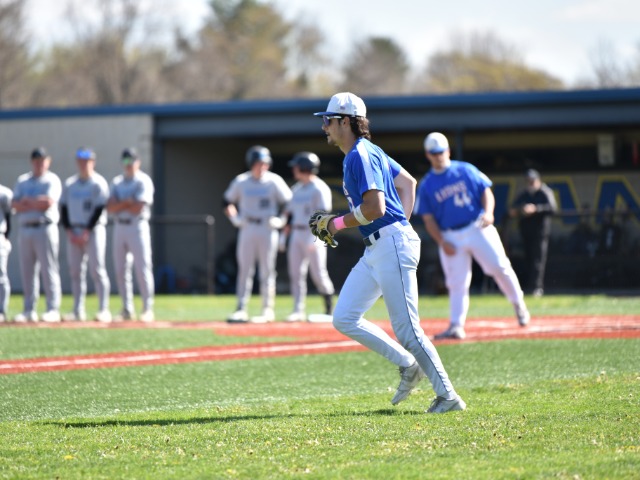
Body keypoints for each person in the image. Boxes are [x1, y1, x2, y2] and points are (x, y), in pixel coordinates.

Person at [312, 92, 466, 413]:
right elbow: (408, 183)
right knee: (344, 317)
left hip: (389, 243)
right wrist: (400, 227)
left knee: (408, 330)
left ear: (345, 122)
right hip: (380, 245)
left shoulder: (360, 154)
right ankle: (409, 365)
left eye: (328, 120)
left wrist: (336, 224)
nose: (324, 126)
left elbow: (376, 208)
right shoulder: (366, 151)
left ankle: (449, 397)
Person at [415, 132, 530, 340]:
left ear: (448, 151)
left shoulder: (465, 169)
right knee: (456, 282)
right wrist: (441, 241)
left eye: (440, 152)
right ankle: (456, 325)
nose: (438, 156)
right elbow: (428, 218)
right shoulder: (427, 184)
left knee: (499, 266)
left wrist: (489, 212)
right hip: (450, 234)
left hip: (477, 226)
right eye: (434, 153)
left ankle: (518, 303)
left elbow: (486, 191)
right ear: (427, 155)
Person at [223, 145, 292, 323]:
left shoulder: (274, 180)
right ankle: (241, 308)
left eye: (265, 164)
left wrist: (281, 220)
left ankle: (267, 309)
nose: (262, 167)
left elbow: (288, 203)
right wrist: (235, 219)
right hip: (247, 226)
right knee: (244, 270)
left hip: (267, 227)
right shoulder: (241, 181)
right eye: (259, 163)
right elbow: (227, 201)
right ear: (251, 163)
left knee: (267, 270)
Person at [59, 148, 112, 322]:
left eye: (87, 161)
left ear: (93, 162)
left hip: (93, 230)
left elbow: (99, 208)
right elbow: (63, 208)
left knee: (97, 269)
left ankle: (103, 309)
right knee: (75, 271)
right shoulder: (70, 183)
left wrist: (87, 230)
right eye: (81, 161)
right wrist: (69, 230)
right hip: (74, 230)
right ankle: (77, 309)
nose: (84, 164)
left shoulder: (98, 183)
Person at [11, 147, 63, 323]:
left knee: (49, 269)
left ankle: (52, 308)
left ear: (48, 161)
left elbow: (47, 203)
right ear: (31, 161)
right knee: (27, 271)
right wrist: (33, 202)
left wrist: (27, 201)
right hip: (26, 228)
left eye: (42, 160)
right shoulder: (23, 180)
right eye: (36, 160)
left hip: (44, 227)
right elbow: (15, 204)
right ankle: (29, 309)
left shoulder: (52, 179)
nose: (39, 163)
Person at [283, 152, 335, 322]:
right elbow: (289, 214)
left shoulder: (319, 187)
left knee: (318, 272)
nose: (294, 169)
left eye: (297, 166)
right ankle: (298, 310)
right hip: (297, 232)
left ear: (305, 167)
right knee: (295, 273)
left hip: (311, 232)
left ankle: (329, 310)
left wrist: (319, 236)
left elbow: (324, 214)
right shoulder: (297, 188)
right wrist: (284, 236)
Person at [106, 148, 155, 322]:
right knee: (121, 270)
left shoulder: (143, 180)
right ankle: (127, 308)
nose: (129, 164)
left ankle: (147, 308)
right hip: (120, 226)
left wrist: (121, 204)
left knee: (142, 268)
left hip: (137, 226)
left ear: (138, 162)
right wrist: (127, 202)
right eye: (126, 161)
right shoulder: (117, 182)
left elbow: (138, 207)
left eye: (132, 161)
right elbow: (109, 207)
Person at [509, 169, 558, 297]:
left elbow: (553, 209)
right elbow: (513, 208)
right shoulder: (524, 194)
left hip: (540, 232)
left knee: (538, 260)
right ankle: (528, 287)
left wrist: (536, 209)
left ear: (538, 180)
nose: (530, 184)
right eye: (528, 181)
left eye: (532, 181)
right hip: (526, 232)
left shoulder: (545, 192)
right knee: (528, 259)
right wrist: (521, 209)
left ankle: (537, 287)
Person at [0, 182, 12, 322]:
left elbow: (9, 217)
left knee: (1, 275)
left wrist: (6, 237)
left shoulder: (4, 192)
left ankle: (1, 311)